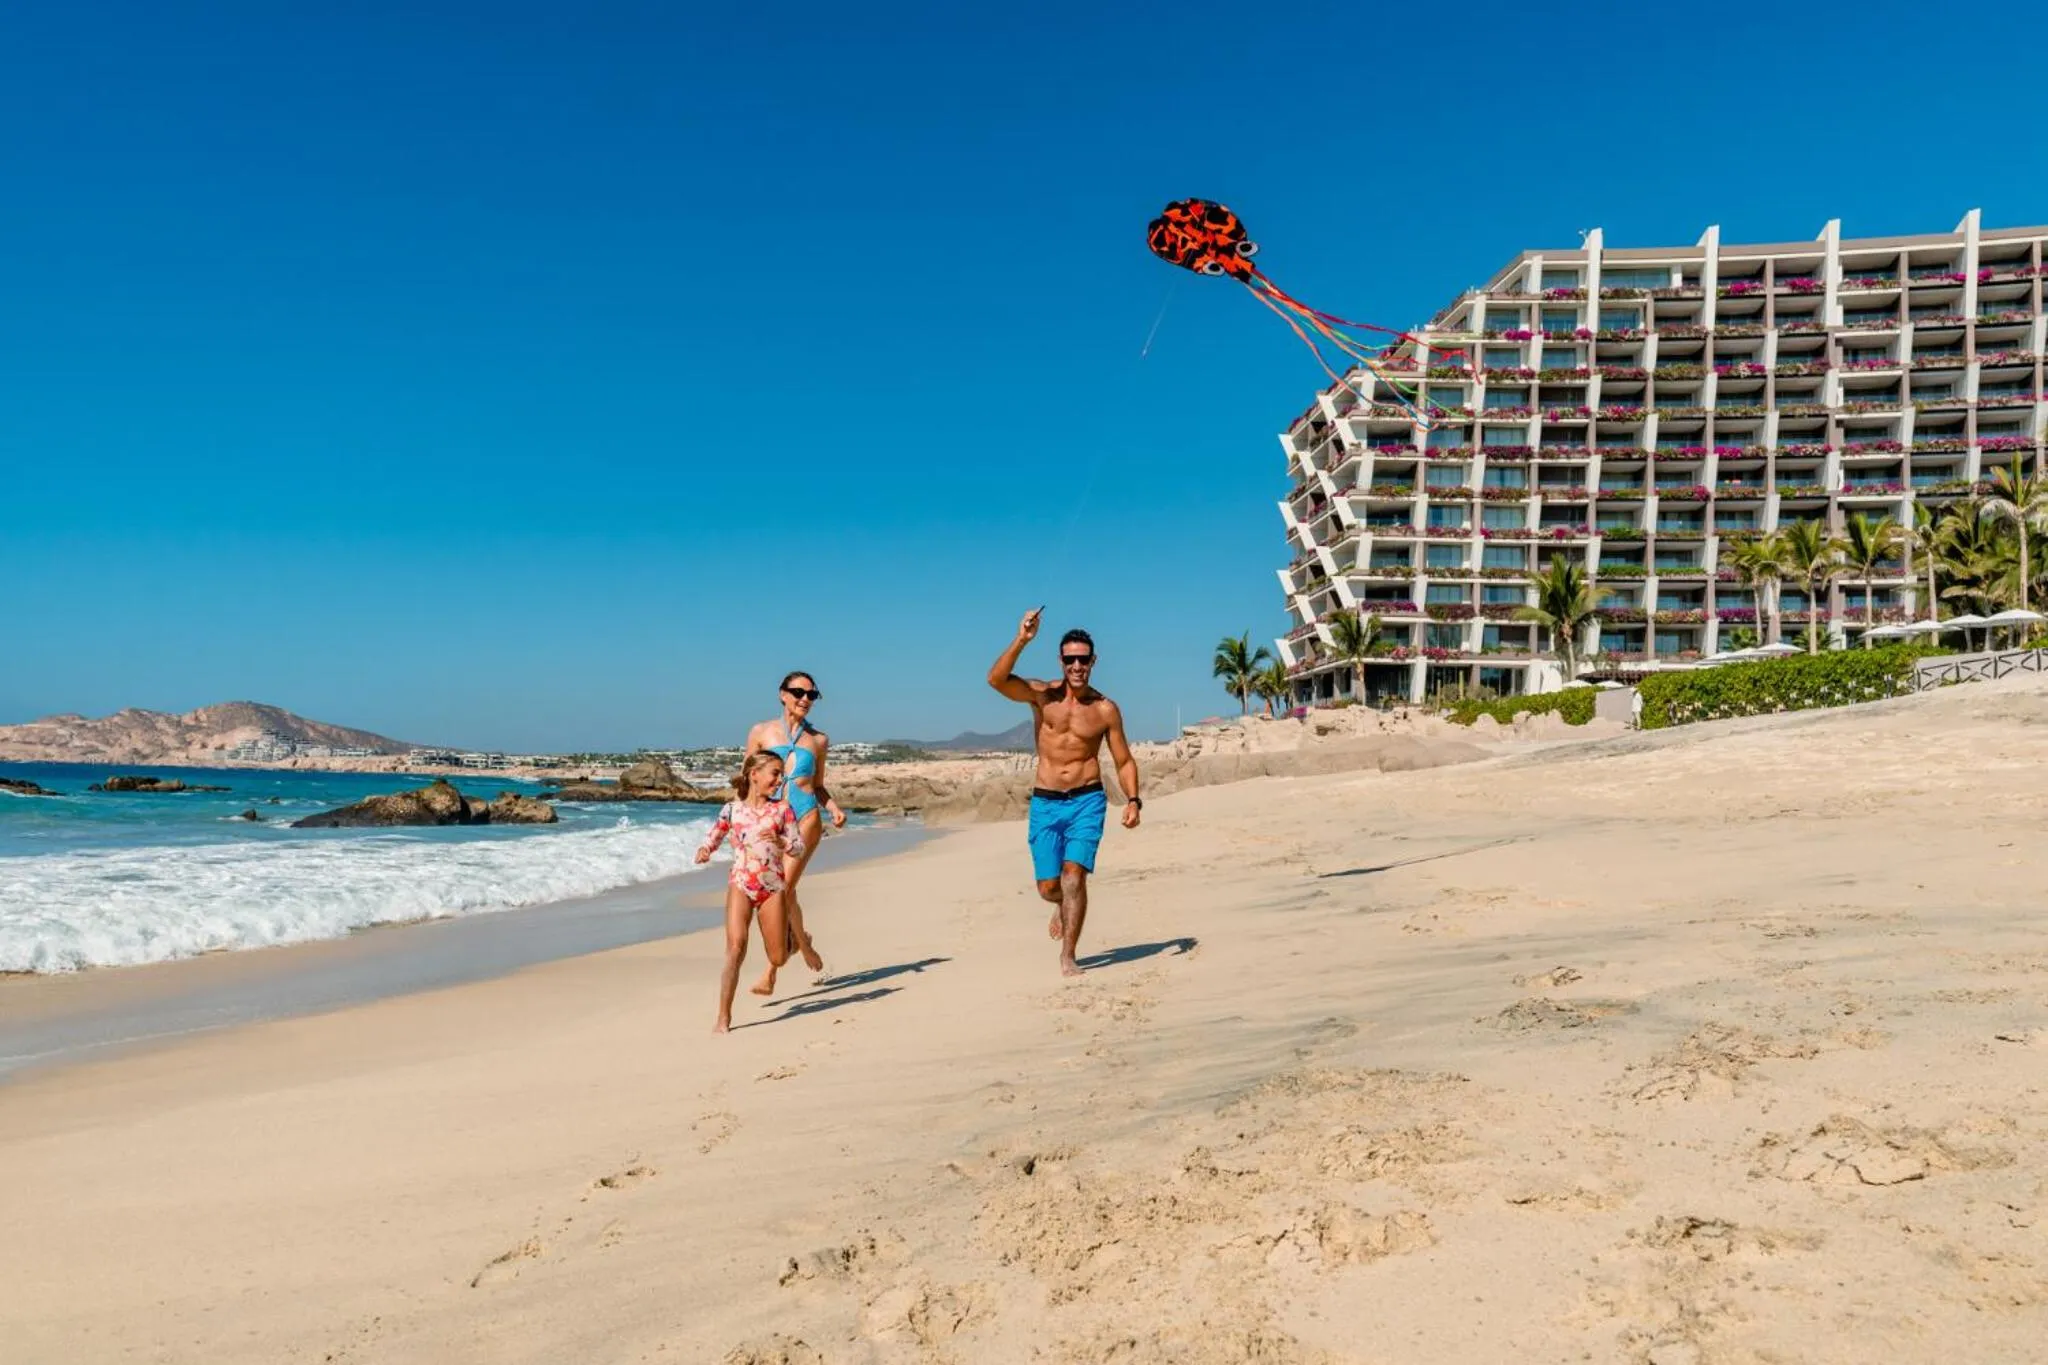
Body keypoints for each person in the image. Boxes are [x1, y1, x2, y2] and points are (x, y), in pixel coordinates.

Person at [986, 609, 1141, 976]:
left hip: (1087, 800)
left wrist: (1133, 800)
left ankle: (1068, 955)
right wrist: (1022, 639)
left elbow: (1123, 760)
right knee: (1048, 887)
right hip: (1046, 802)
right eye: (1070, 659)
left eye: (1082, 659)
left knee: (1074, 876)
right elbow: (996, 680)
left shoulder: (1105, 710)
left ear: (1093, 661)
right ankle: (1062, 904)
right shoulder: (1042, 696)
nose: (1076, 666)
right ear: (1061, 660)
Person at [743, 670, 847, 995]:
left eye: (812, 695)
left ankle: (770, 973)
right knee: (781, 894)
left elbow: (817, 786)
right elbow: (747, 782)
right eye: (799, 693)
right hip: (771, 825)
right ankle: (803, 943)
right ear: (782, 694)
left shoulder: (818, 741)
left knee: (782, 889)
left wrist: (832, 808)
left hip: (805, 819)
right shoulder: (761, 732)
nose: (805, 699)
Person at [696, 751, 809, 1034]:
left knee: (778, 958)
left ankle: (794, 942)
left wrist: (782, 841)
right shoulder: (732, 810)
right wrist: (705, 849)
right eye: (775, 773)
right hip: (741, 884)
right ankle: (723, 1016)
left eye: (781, 774)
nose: (779, 779)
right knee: (735, 949)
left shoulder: (782, 810)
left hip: (772, 888)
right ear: (753, 774)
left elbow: (798, 847)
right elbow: (716, 834)